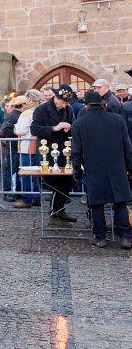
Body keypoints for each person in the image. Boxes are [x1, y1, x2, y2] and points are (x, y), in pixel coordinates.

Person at [71, 91, 132, 249]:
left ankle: (101, 238)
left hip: (94, 168)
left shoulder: (79, 123)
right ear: (103, 104)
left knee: (96, 204)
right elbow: (127, 147)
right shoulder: (117, 120)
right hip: (116, 167)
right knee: (120, 202)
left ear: (86, 105)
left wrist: (76, 171)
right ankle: (125, 237)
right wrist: (130, 167)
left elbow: (76, 151)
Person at [30, 84, 76, 226]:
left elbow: (73, 124)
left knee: (66, 182)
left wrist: (70, 127)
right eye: (63, 101)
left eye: (67, 102)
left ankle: (60, 210)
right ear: (55, 97)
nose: (65, 105)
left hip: (64, 151)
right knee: (56, 183)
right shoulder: (41, 110)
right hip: (48, 153)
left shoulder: (68, 109)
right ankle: (54, 213)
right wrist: (55, 128)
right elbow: (35, 129)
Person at [12, 89, 42, 208]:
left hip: (27, 146)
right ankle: (36, 197)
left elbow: (20, 130)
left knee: (25, 173)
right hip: (40, 146)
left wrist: (15, 129)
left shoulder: (27, 113)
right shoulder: (42, 110)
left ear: (29, 99)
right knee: (36, 174)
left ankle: (26, 199)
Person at [1, 95, 25, 201]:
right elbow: (5, 129)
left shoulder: (17, 115)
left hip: (18, 146)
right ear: (23, 105)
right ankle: (7, 192)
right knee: (10, 170)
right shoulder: (13, 116)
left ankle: (18, 192)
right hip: (13, 146)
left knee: (19, 169)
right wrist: (17, 134)